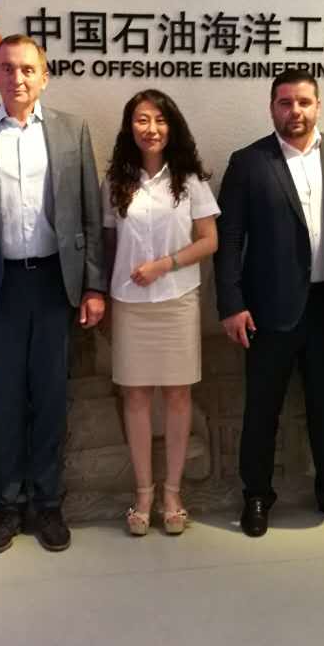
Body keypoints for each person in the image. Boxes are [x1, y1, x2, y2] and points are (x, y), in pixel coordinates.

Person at [0, 34, 106, 555]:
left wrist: (94, 285)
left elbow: (89, 212)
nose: (18, 78)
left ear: (44, 76)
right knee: (7, 399)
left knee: (52, 398)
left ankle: (49, 504)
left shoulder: (71, 130)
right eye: (8, 68)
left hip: (55, 283)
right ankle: (8, 506)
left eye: (28, 69)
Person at [214, 69, 324, 537]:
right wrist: (230, 303)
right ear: (272, 108)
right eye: (285, 103)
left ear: (318, 105)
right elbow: (229, 240)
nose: (295, 111)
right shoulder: (248, 162)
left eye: (304, 102)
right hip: (267, 309)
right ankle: (257, 495)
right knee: (262, 409)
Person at [102, 90, 219, 536]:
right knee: (134, 398)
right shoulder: (115, 181)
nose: (151, 129)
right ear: (129, 127)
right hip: (129, 304)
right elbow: (107, 245)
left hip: (177, 301)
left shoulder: (189, 181)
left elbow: (209, 241)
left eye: (160, 120)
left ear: (172, 126)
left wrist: (164, 264)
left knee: (177, 397)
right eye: (141, 119)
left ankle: (172, 494)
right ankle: (143, 495)